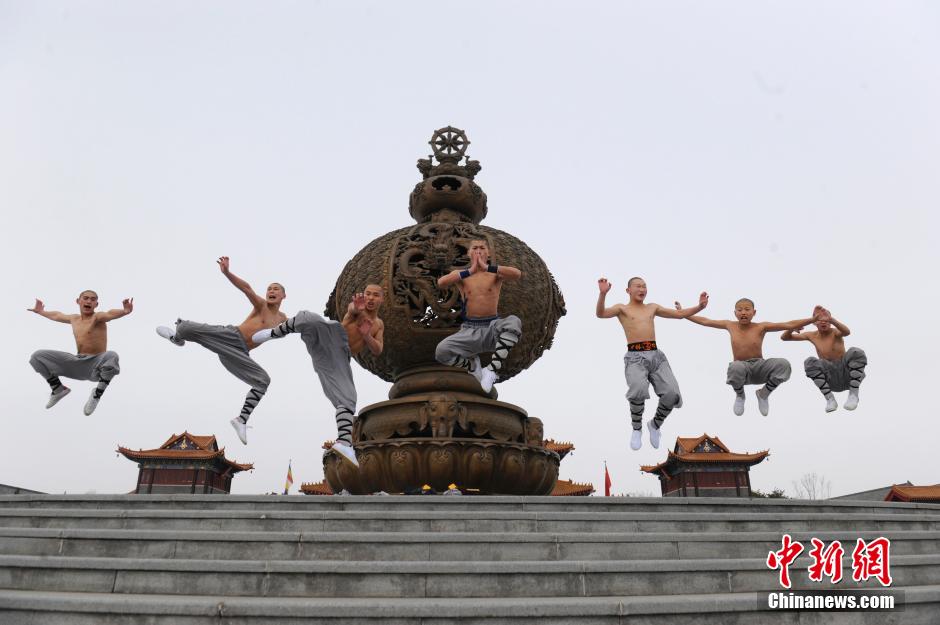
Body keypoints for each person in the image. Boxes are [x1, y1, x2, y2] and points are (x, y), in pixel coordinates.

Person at [155, 257, 285, 445]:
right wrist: (227, 273)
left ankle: (241, 419)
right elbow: (246, 288)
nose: (271, 291)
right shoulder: (261, 305)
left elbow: (298, 326)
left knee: (263, 381)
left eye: (276, 289)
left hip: (239, 354)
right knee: (184, 328)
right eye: (269, 289)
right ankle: (176, 338)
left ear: (283, 296)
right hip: (231, 336)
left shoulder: (283, 318)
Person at [252, 285, 385, 468]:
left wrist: (367, 335)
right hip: (332, 337)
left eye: (375, 295)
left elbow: (378, 349)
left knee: (348, 399)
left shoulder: (378, 324)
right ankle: (273, 333)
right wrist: (356, 308)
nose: (370, 298)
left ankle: (344, 442)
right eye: (368, 294)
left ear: (381, 299)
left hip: (337, 358)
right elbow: (351, 310)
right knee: (308, 317)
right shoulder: (357, 311)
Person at [597, 276, 708, 451]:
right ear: (628, 290)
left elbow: (679, 315)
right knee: (638, 390)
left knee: (672, 394)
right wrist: (602, 294)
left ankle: (655, 425)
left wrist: (699, 307)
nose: (642, 289)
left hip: (656, 356)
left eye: (644, 286)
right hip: (635, 357)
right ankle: (636, 428)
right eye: (638, 286)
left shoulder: (652, 308)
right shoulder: (622, 309)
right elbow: (601, 314)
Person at [681, 299, 820, 416]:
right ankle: (740, 396)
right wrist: (684, 313)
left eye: (747, 309)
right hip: (742, 370)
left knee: (783, 364)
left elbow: (788, 324)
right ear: (735, 313)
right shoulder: (730, 325)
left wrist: (813, 319)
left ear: (754, 312)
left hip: (759, 366)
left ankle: (763, 394)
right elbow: (705, 321)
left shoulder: (761, 326)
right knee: (735, 366)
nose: (743, 312)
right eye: (739, 310)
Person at [434, 239, 522, 394]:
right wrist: (471, 270)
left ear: (488, 253)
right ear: (469, 253)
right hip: (469, 330)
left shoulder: (495, 273)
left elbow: (516, 274)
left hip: (491, 327)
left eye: (482, 248)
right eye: (475, 248)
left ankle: (491, 370)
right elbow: (441, 283)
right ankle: (473, 367)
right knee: (441, 351)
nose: (479, 251)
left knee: (514, 322)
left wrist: (488, 267)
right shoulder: (461, 275)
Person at [28, 290, 133, 415]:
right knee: (37, 356)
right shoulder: (74, 319)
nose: (89, 301)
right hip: (77, 362)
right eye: (86, 298)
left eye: (93, 299)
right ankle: (57, 388)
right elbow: (57, 315)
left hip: (95, 366)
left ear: (96, 304)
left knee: (112, 355)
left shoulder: (97, 317)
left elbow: (110, 314)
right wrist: (41, 312)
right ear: (78, 301)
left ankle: (96, 395)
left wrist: (125, 311)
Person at [781, 307, 866, 412]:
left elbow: (847, 332)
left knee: (856, 351)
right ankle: (830, 399)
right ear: (814, 322)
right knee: (810, 362)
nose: (823, 322)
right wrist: (792, 328)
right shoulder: (811, 335)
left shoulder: (835, 332)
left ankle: (853, 395)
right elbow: (784, 338)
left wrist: (833, 320)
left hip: (847, 374)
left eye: (826, 320)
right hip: (831, 378)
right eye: (819, 319)